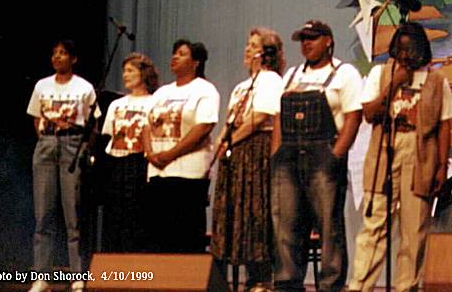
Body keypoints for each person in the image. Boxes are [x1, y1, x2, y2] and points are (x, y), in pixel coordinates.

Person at [349, 22, 452, 292]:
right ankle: (359, 286)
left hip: (421, 154)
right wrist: (394, 84)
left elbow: (444, 125)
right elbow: (370, 113)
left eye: (412, 48)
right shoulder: (380, 73)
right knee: (375, 225)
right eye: (402, 47)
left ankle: (405, 286)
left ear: (423, 49)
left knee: (414, 228)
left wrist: (442, 167)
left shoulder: (436, 80)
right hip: (385, 151)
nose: (407, 54)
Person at [271, 20, 362, 292]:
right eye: (302, 39)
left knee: (329, 230)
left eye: (312, 38)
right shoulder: (290, 76)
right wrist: (275, 154)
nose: (306, 44)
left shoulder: (345, 74)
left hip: (323, 157)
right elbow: (278, 118)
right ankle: (287, 284)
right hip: (287, 159)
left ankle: (330, 286)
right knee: (285, 227)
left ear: (328, 41)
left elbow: (353, 119)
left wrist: (335, 156)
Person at [211, 27, 284, 292]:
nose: (247, 49)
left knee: (256, 210)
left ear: (265, 53)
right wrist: (221, 141)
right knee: (235, 212)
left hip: (257, 151)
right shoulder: (242, 86)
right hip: (237, 153)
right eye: (247, 43)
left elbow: (260, 118)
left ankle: (262, 277)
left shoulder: (271, 80)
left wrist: (231, 140)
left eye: (253, 45)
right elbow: (232, 121)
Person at [26, 40, 96, 292]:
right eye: (54, 53)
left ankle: (77, 274)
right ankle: (42, 276)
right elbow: (36, 118)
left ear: (73, 58)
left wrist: (82, 147)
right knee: (43, 212)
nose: (57, 57)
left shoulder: (84, 87)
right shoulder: (42, 85)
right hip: (46, 144)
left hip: (72, 145)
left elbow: (92, 123)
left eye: (63, 53)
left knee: (72, 213)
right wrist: (47, 139)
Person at [144, 39, 220, 253]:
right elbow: (145, 125)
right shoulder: (161, 92)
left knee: (185, 235)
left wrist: (170, 154)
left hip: (188, 173)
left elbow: (203, 127)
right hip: (158, 171)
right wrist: (150, 153)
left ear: (196, 62)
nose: (175, 57)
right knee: (159, 234)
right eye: (174, 53)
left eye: (182, 54)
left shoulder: (205, 90)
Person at [100, 53, 159, 252]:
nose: (125, 75)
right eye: (124, 71)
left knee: (137, 214)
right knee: (116, 213)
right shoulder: (116, 105)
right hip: (117, 163)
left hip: (140, 162)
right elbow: (109, 135)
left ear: (143, 73)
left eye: (131, 70)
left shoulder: (154, 102)